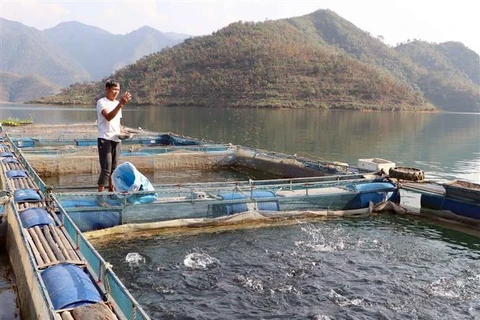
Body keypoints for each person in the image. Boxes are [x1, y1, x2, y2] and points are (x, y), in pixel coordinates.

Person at [96, 79, 132, 193]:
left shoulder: (117, 103)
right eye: (114, 89)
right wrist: (121, 104)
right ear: (107, 89)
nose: (116, 92)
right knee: (106, 170)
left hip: (116, 139)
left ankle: (111, 191)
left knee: (114, 169)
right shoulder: (101, 102)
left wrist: (123, 131)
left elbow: (117, 122)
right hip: (105, 138)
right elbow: (108, 117)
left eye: (118, 89)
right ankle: (100, 194)